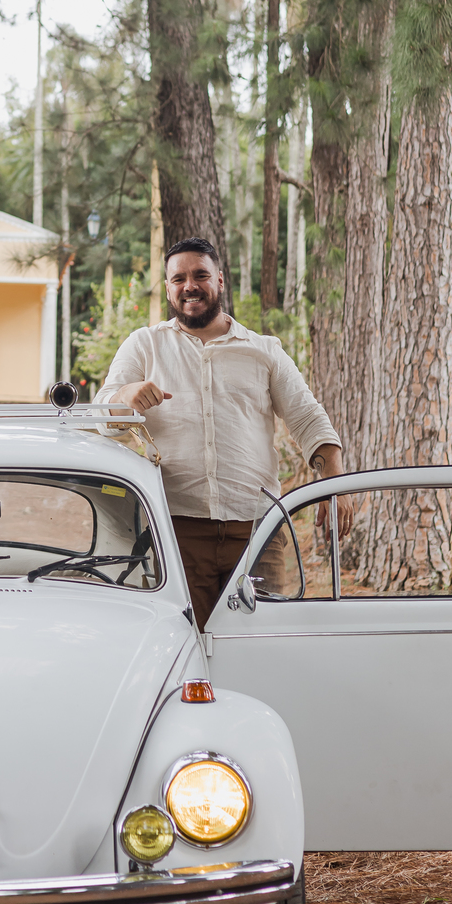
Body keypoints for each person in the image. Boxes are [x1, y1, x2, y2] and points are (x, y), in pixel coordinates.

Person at [97, 237, 347, 630]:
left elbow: (308, 419)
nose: (189, 286)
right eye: (178, 278)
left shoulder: (264, 350)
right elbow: (102, 419)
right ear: (167, 288)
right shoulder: (145, 346)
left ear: (219, 280)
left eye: (200, 275)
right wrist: (126, 395)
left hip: (257, 532)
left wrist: (332, 483)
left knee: (261, 646)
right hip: (175, 532)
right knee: (184, 647)